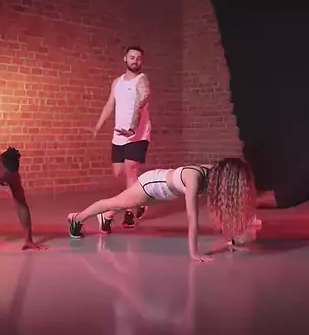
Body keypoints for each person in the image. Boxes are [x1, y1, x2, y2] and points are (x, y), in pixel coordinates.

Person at [66, 158, 257, 262]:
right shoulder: (195, 178)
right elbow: (192, 218)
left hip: (165, 193)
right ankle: (77, 218)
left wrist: (231, 241)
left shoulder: (214, 177)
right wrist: (194, 253)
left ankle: (106, 216)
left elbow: (222, 209)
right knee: (114, 203)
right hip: (151, 186)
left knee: (118, 204)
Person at [92, 46, 152, 229]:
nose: (135, 61)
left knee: (130, 171)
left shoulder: (142, 80)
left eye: (139, 58)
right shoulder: (117, 82)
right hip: (119, 135)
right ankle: (140, 200)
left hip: (137, 134)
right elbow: (110, 104)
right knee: (118, 174)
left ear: (142, 61)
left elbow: (141, 104)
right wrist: (98, 126)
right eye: (132, 57)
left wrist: (132, 128)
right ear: (125, 58)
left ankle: (129, 213)